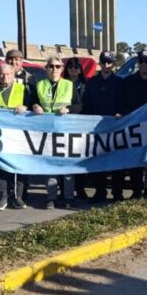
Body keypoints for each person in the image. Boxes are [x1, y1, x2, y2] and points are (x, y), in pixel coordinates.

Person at [33, 55, 82, 209]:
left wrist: (69, 109)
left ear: (62, 69)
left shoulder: (69, 85)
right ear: (46, 68)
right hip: (46, 132)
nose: (54, 69)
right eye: (51, 66)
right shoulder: (39, 85)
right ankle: (51, 197)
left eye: (57, 66)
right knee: (50, 165)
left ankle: (69, 197)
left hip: (66, 131)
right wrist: (35, 105)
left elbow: (79, 105)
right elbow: (31, 102)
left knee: (67, 165)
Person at [0, 63, 32, 210]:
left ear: (13, 74)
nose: (4, 77)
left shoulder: (22, 88)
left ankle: (18, 197)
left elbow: (32, 105)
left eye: (8, 74)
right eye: (1, 74)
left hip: (17, 133)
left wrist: (25, 107)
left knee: (18, 165)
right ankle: (2, 197)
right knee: (0, 166)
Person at [117, 49, 147, 199]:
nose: (144, 64)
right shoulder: (128, 81)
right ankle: (136, 190)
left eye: (146, 61)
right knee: (134, 157)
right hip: (133, 125)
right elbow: (122, 102)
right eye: (141, 61)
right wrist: (121, 114)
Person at [82, 51, 125, 202]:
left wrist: (121, 113)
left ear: (113, 64)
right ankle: (100, 191)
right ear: (99, 63)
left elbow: (124, 103)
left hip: (115, 128)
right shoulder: (92, 83)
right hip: (96, 129)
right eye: (104, 62)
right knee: (98, 161)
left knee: (116, 161)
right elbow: (86, 105)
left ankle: (117, 193)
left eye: (109, 62)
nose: (106, 65)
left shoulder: (120, 82)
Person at [65, 57, 91, 200]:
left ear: (80, 69)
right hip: (65, 125)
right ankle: (64, 190)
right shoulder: (62, 83)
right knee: (65, 158)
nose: (73, 69)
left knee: (80, 157)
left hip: (81, 124)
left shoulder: (86, 84)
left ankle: (80, 188)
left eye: (76, 66)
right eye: (70, 66)